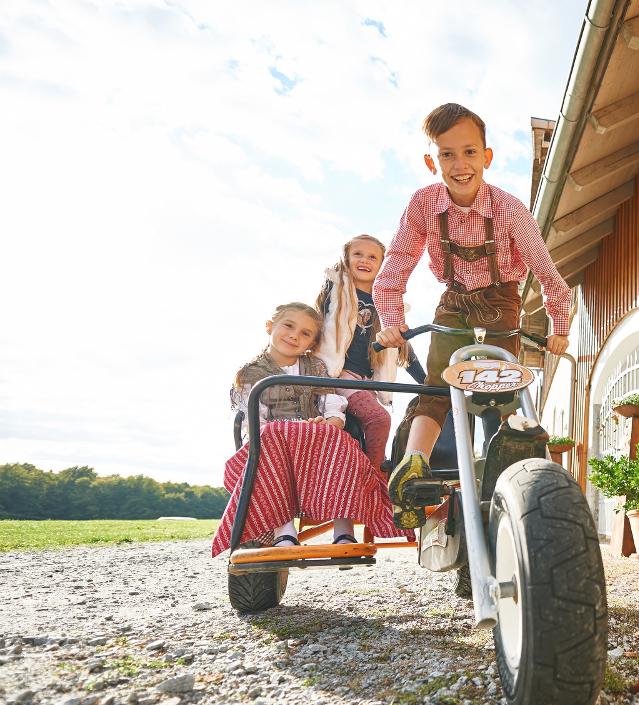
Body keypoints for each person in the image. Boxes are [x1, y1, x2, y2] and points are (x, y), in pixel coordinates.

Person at [374, 102, 570, 528]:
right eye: (447, 154)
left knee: (500, 383)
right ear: (432, 161)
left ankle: (511, 462)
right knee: (438, 383)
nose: (459, 164)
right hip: (454, 299)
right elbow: (395, 267)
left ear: (487, 156)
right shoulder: (423, 204)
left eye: (468, 152)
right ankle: (413, 466)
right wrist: (392, 322)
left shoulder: (509, 208)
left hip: (502, 300)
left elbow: (545, 270)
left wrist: (560, 329)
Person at [211, 302, 402, 556]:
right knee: (269, 439)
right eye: (288, 326)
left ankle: (343, 531)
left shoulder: (315, 368)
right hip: (273, 440)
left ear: (312, 343)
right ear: (270, 327)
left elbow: (329, 401)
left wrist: (332, 420)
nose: (294, 336)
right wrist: (285, 429)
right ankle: (284, 532)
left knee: (339, 438)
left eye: (305, 333)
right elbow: (254, 418)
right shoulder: (250, 374)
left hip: (314, 439)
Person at [314, 234, 396, 470]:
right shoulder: (337, 292)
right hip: (342, 374)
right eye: (357, 254)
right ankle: (375, 475)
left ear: (383, 264)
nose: (365, 261)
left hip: (368, 380)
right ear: (346, 259)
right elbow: (316, 323)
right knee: (379, 419)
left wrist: (425, 381)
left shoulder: (385, 305)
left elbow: (402, 349)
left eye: (373, 257)